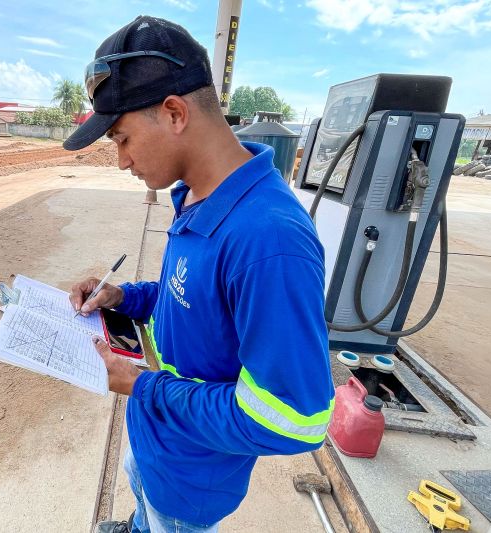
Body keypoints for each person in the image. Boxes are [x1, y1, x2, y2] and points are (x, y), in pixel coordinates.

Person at [63, 16, 335, 533]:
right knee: (143, 499)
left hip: (193, 481)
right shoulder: (196, 196)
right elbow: (191, 303)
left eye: (122, 139)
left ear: (173, 113)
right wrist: (123, 297)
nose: (121, 161)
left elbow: (296, 421)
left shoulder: (268, 241)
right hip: (157, 444)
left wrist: (143, 387)